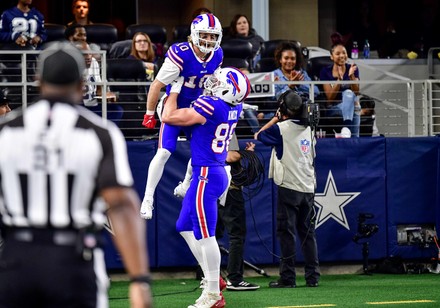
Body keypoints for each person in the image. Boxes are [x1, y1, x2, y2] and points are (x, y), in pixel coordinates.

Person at [0, 42, 152, 308]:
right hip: (72, 259)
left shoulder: (7, 130)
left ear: (38, 81)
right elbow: (121, 206)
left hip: (16, 258)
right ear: (82, 84)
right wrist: (139, 280)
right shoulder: (99, 132)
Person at [162, 66, 250, 308]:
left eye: (216, 82)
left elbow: (168, 116)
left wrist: (173, 91)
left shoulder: (210, 106)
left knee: (206, 234)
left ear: (226, 89)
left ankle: (212, 292)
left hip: (207, 176)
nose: (211, 85)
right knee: (184, 225)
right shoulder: (234, 106)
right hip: (213, 171)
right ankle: (214, 277)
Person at [140, 13, 223, 220]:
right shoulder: (181, 53)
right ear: (194, 34)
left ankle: (185, 184)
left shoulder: (218, 55)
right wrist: (149, 113)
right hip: (174, 109)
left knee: (201, 153)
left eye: (213, 36)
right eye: (205, 35)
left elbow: (214, 81)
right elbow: (157, 85)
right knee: (164, 152)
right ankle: (147, 198)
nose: (209, 41)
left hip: (197, 110)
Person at [255, 90, 320, 289]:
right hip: (308, 187)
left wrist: (275, 118)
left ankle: (288, 278)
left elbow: (259, 135)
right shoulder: (310, 129)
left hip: (289, 187)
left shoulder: (280, 129)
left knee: (286, 233)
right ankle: (312, 278)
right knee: (308, 234)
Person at [74, 40, 122, 124]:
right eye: (84, 54)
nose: (89, 57)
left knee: (116, 110)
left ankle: (104, 135)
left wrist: (105, 94)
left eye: (90, 53)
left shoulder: (93, 62)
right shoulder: (68, 66)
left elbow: (98, 85)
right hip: (77, 107)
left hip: (92, 105)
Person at [319, 43, 360, 138]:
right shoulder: (325, 71)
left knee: (349, 94)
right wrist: (339, 80)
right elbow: (330, 98)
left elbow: (356, 91)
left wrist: (351, 76)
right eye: (338, 53)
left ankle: (346, 131)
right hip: (333, 108)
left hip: (350, 108)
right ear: (331, 57)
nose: (341, 56)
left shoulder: (352, 68)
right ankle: (351, 136)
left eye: (344, 53)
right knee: (355, 107)